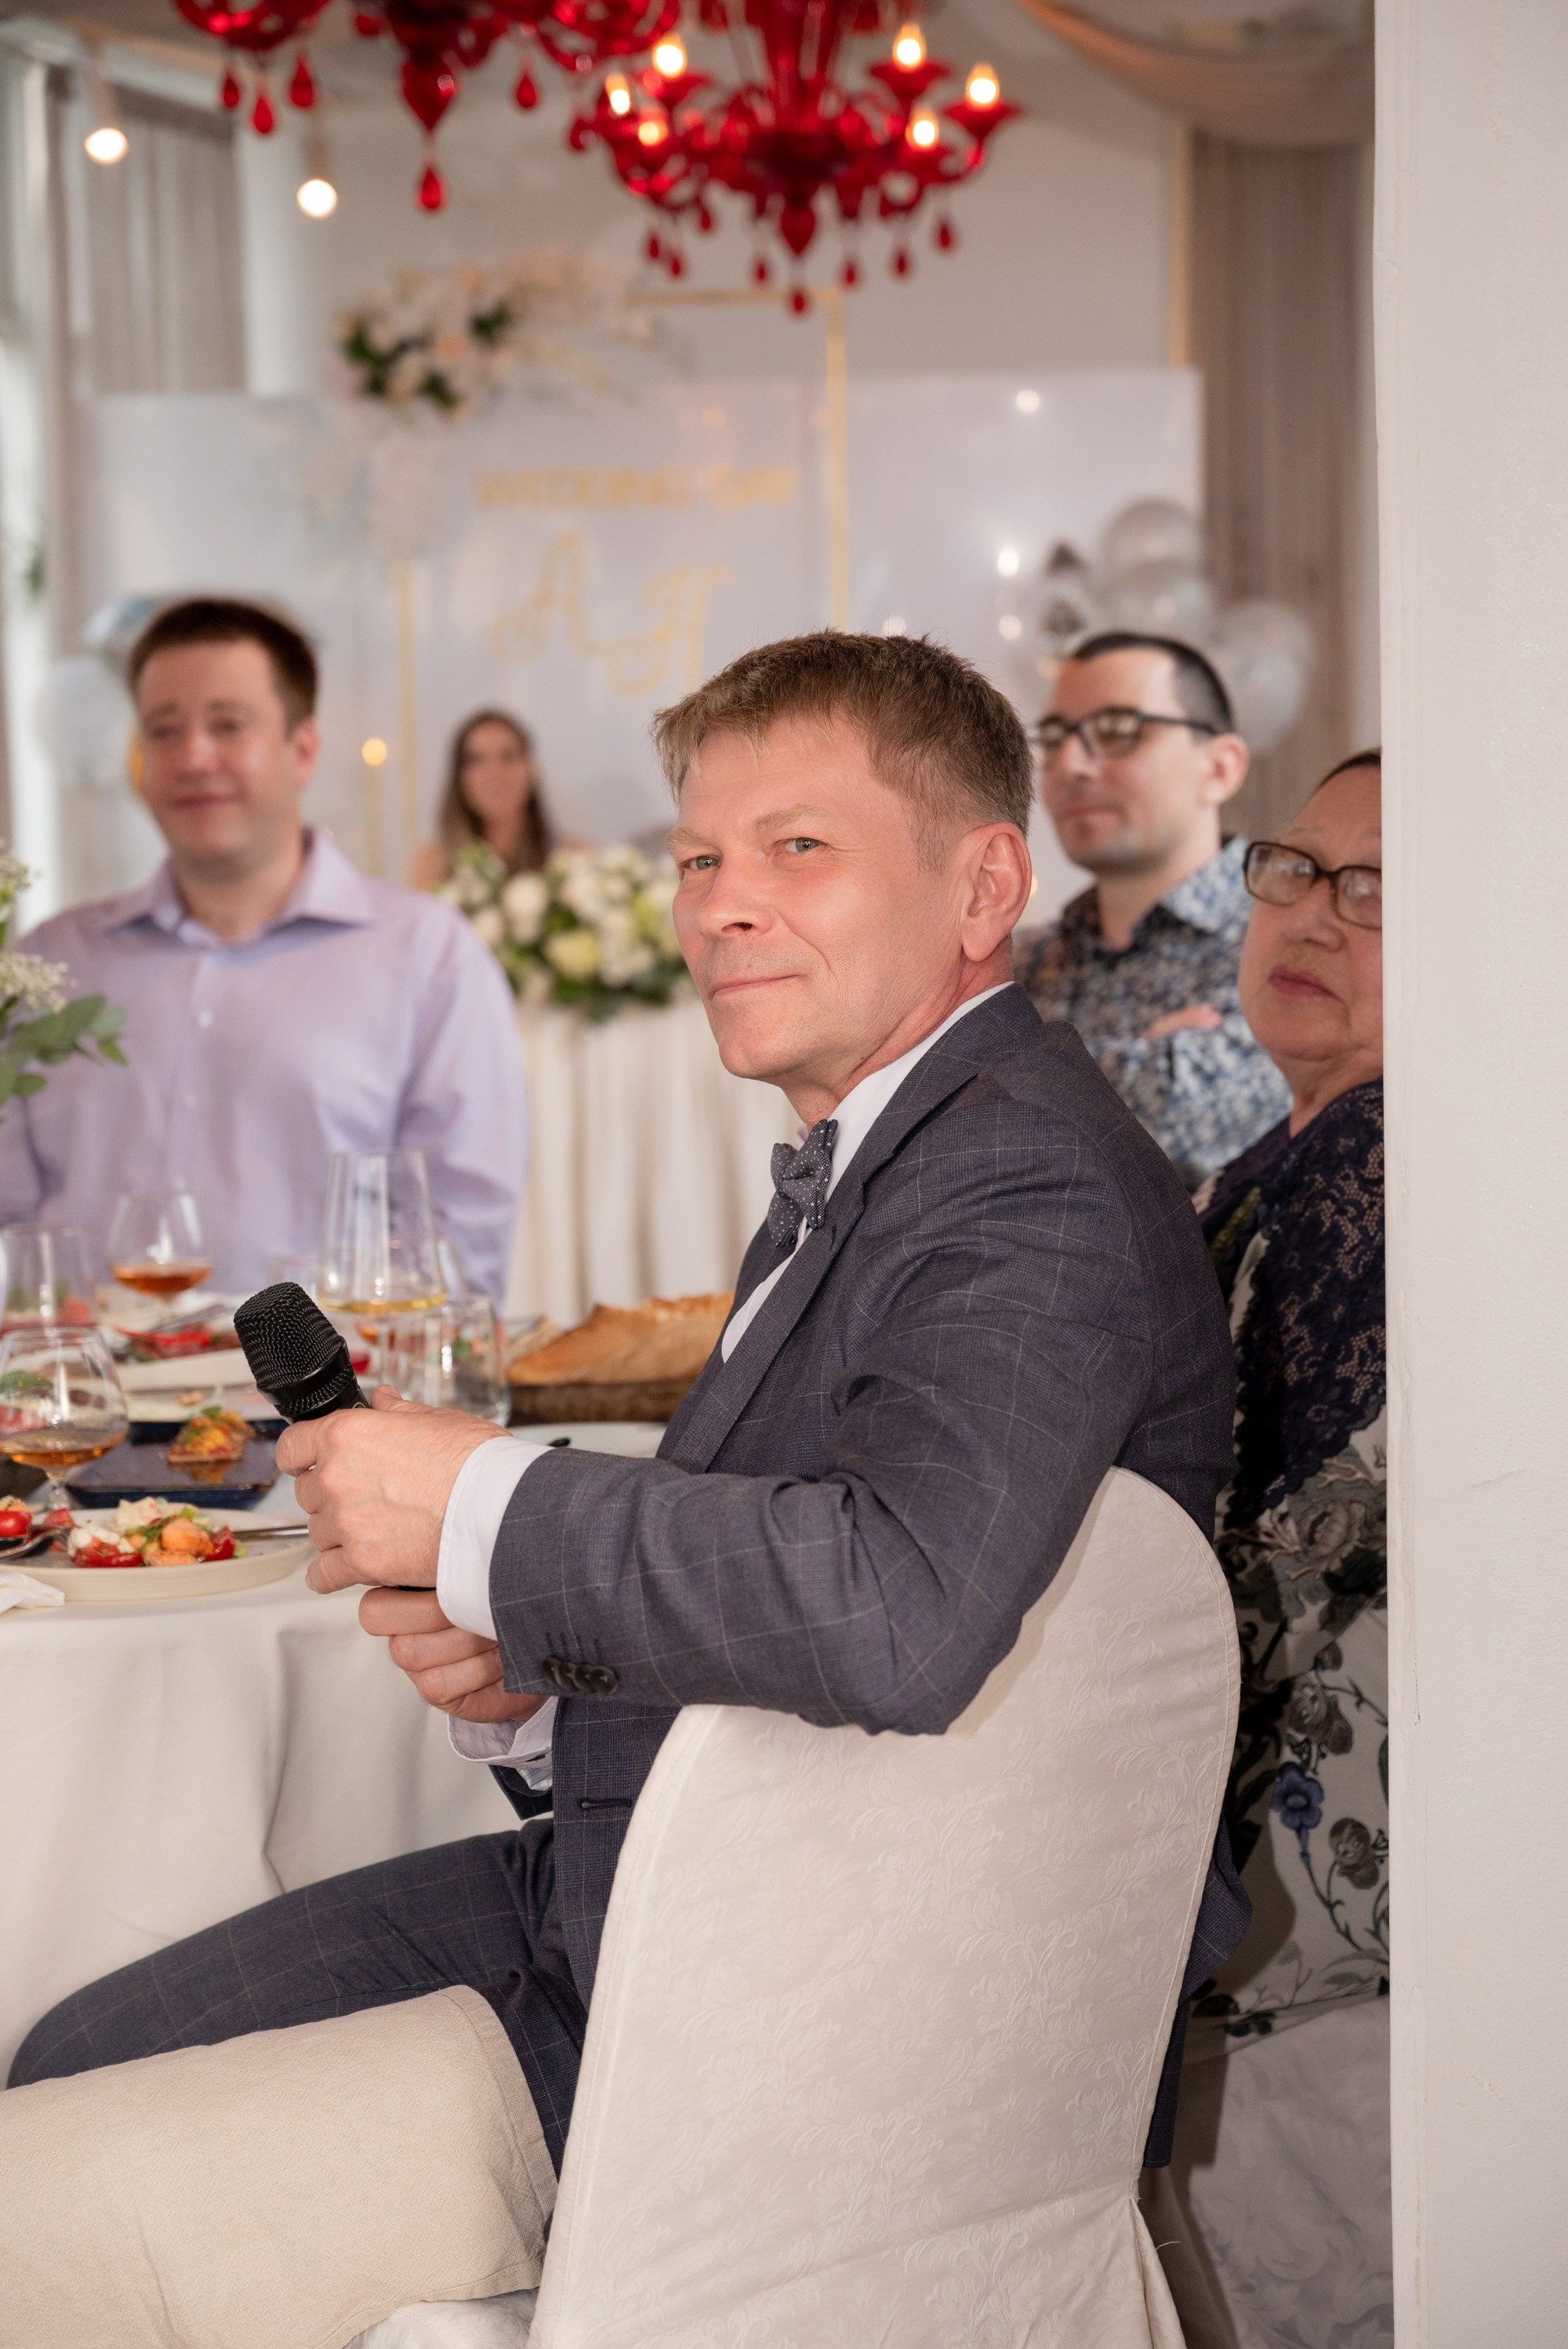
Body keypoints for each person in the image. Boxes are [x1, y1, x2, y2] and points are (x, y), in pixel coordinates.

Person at [3, 632, 1246, 2336]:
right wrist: (534, 1682)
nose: (720, 905)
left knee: (43, 2187)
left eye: (797, 847)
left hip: (821, 2020)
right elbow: (805, 1596)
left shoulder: (1018, 1177)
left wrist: (489, 1503)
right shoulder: (888, 1146)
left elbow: (899, 1611)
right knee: (67, 2050)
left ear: (984, 884)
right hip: (682, 1895)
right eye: (697, 858)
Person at [1145, 752, 1389, 2349]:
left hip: (1305, 1929)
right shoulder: (1281, 1163)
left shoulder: (1367, 1177)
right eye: (1293, 867)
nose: (1310, 912)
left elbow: (1239, 1589)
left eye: (1377, 891)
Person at [0, 599, 528, 1302]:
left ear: (302, 749)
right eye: (163, 730)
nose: (192, 756)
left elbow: (461, 1243)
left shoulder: (427, 957)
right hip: (86, 1402)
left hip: (323, 1402)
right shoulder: (52, 964)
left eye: (228, 725)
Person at [1015, 630, 1292, 1189]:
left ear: (1220, 767)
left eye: (1117, 730)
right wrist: (1138, 1065)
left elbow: (1182, 1115)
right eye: (1053, 736)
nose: (1070, 764)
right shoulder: (1018, 960)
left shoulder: (1286, 935)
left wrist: (994, 1075)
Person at [408, 709, 554, 891]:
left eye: (507, 756)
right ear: (460, 777)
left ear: (531, 768)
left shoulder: (570, 861)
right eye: (476, 760)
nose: (494, 773)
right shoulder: (432, 865)